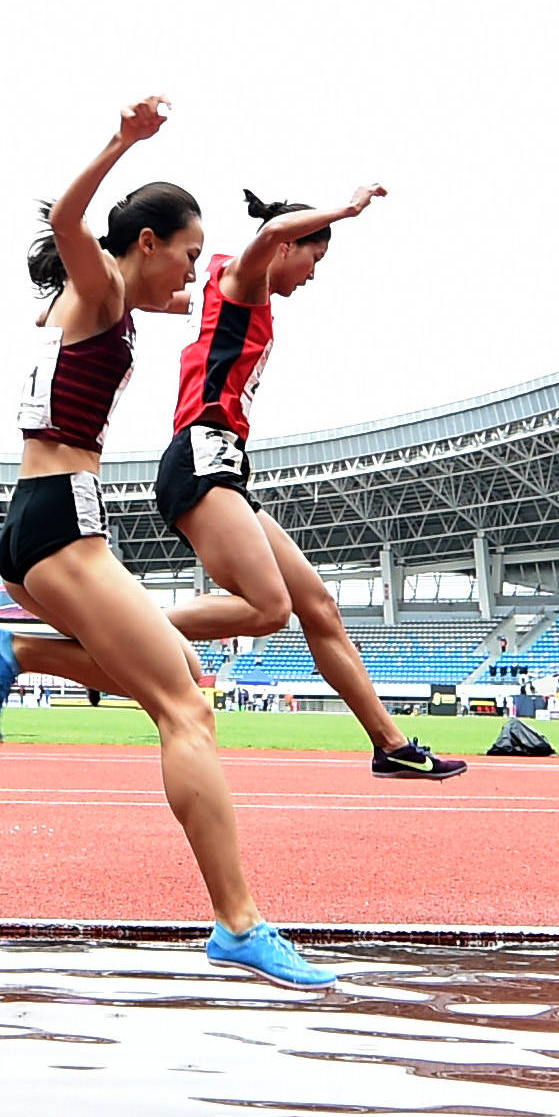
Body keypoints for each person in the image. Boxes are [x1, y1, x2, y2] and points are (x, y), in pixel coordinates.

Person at [0, 97, 332, 990]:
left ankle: (12, 652)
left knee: (167, 677)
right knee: (186, 709)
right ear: (144, 244)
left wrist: (236, 287)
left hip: (46, 520)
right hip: (61, 524)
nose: (193, 272)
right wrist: (122, 144)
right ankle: (238, 923)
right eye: (187, 254)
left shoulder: (107, 300)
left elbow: (196, 304)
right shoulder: (94, 290)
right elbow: (67, 220)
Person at [137, 188, 463, 780]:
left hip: (225, 465)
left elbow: (160, 295)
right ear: (289, 243)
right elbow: (261, 242)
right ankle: (126, 626)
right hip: (201, 455)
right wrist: (344, 210)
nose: (313, 276)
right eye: (314, 258)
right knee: (268, 610)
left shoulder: (219, 282)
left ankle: (389, 745)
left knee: (318, 606)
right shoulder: (244, 278)